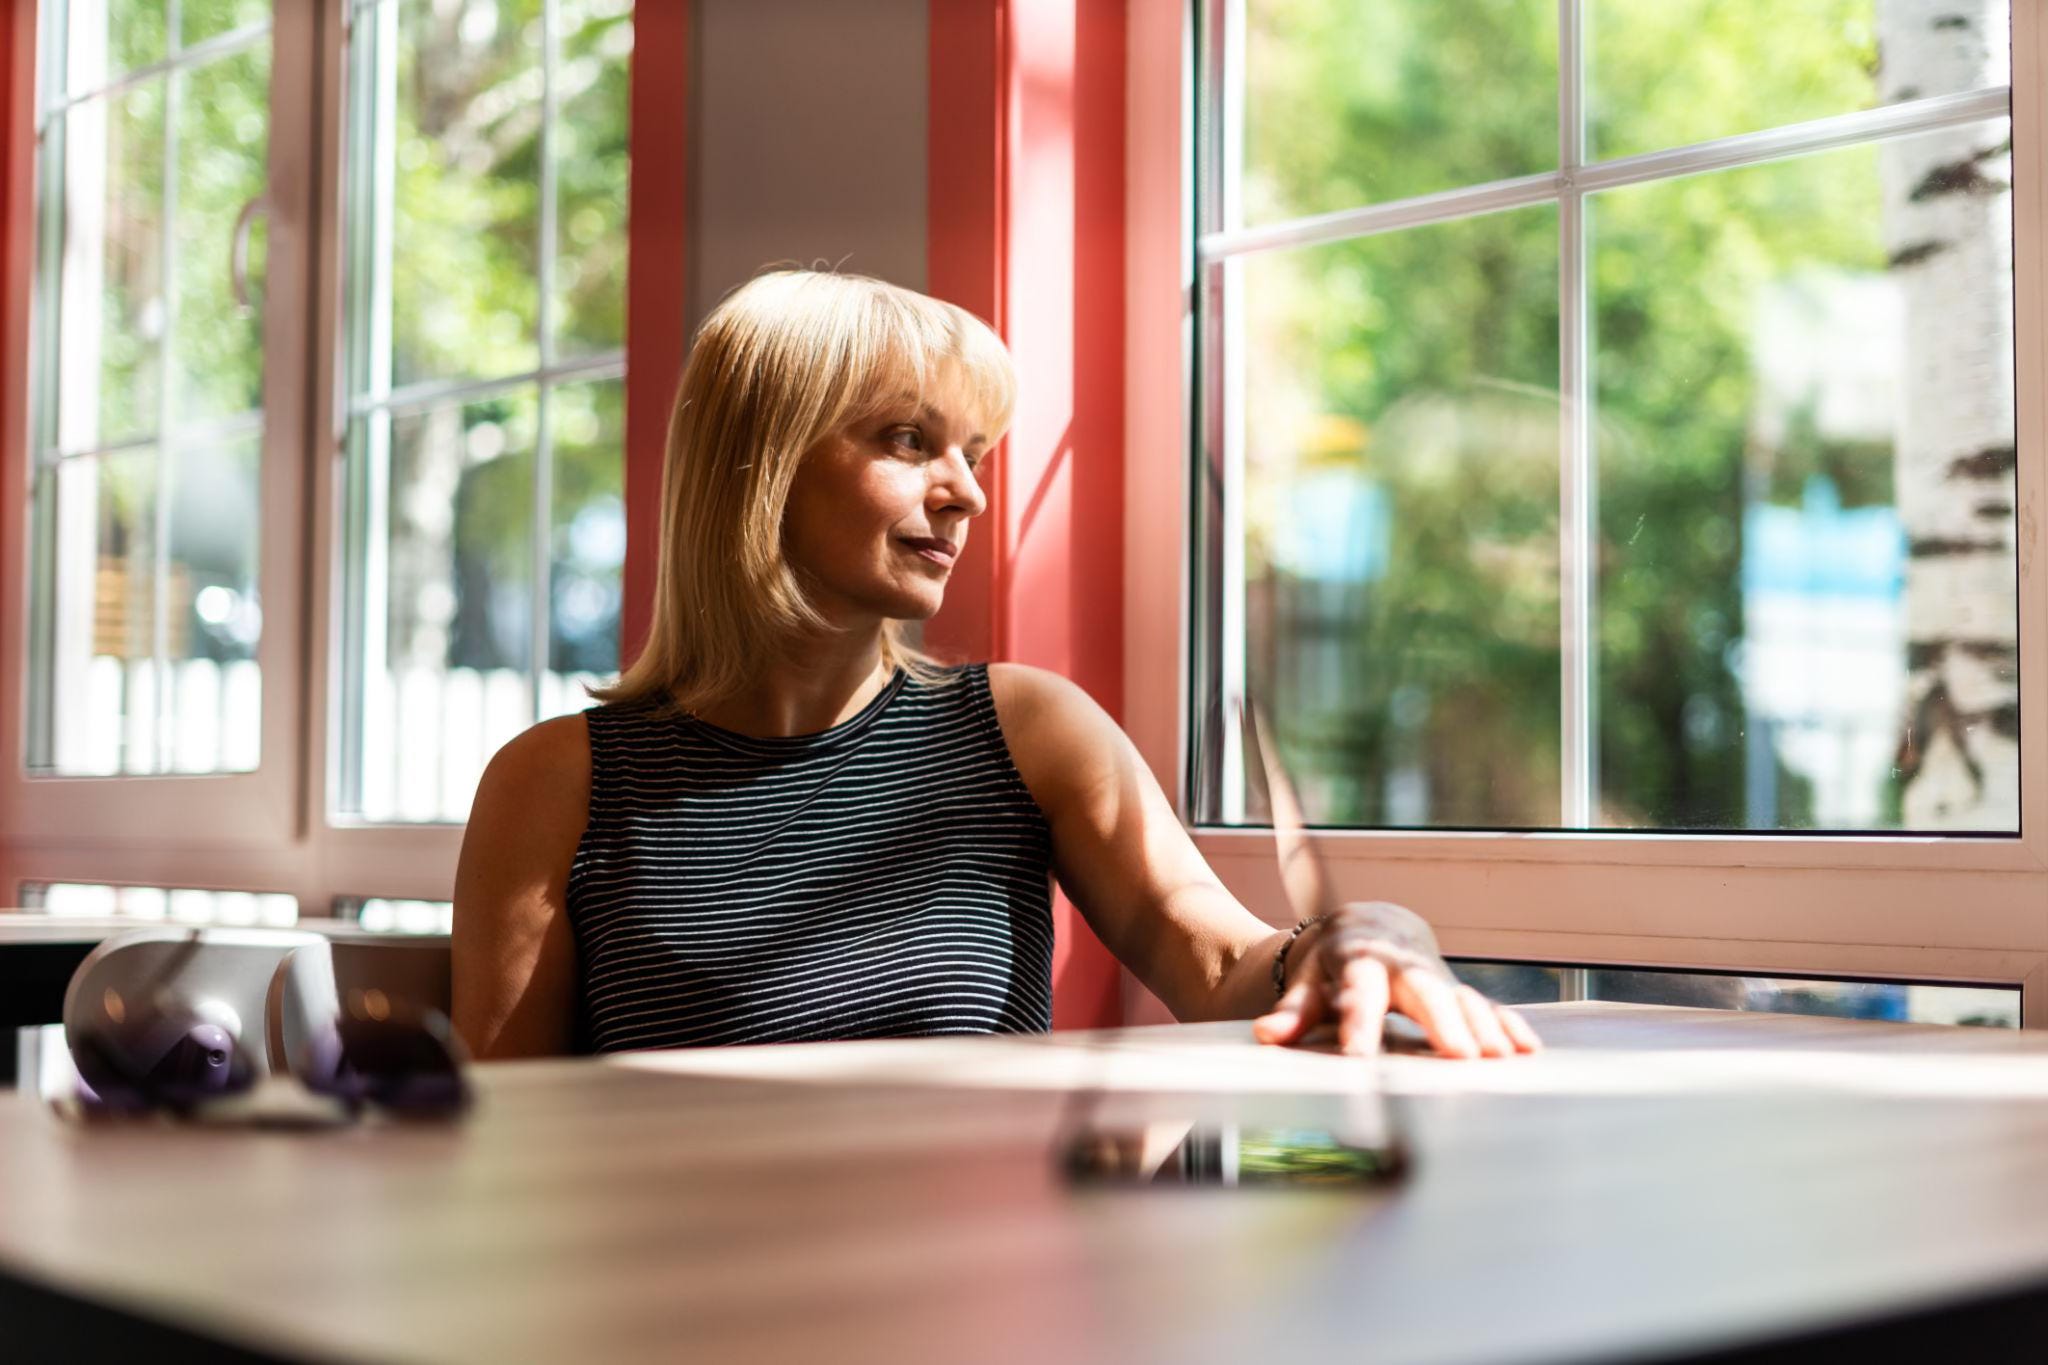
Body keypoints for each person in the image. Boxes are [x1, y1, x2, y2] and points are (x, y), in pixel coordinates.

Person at [451, 269, 1540, 1063]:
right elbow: (505, 1146)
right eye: (908, 440)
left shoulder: (1026, 730)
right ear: (763, 465)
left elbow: (1220, 967)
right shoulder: (554, 783)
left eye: (973, 455)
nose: (968, 493)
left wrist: (1364, 935)